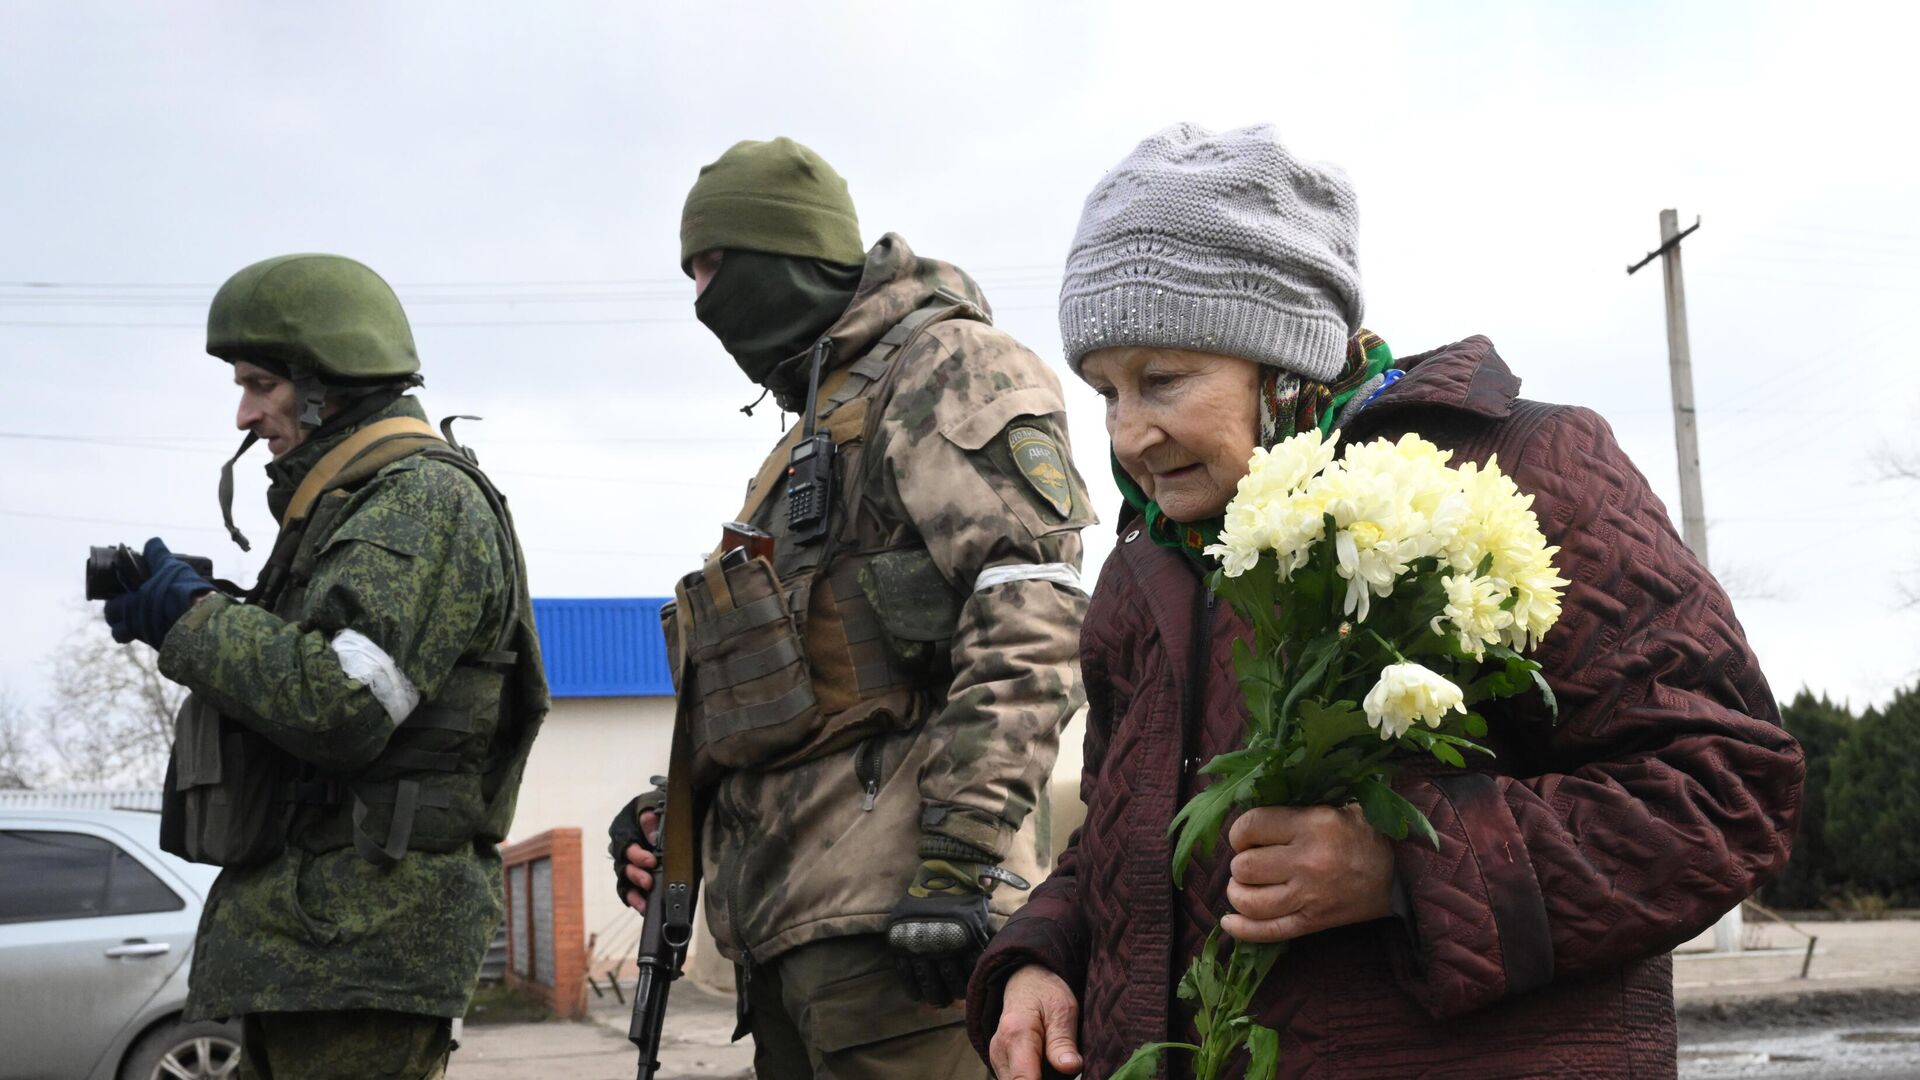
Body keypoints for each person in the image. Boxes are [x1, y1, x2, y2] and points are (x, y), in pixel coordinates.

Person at [966, 124, 1805, 1079]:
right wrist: (1044, 955)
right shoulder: (1144, 569)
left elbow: (1727, 787)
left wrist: (1407, 865)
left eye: (1163, 379)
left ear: (1287, 362)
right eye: (1104, 390)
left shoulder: (1519, 472)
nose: (1128, 434)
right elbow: (1122, 833)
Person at [606, 136, 1093, 1079]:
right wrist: (677, 813)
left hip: (904, 930)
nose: (703, 299)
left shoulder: (949, 367)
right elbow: (802, 687)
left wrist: (959, 858)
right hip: (792, 939)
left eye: (715, 267)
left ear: (789, 256)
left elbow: (1033, 612)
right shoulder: (800, 443)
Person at [102, 253, 547, 1080]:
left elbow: (341, 704)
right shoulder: (350, 505)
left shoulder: (418, 500)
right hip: (316, 939)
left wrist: (192, 623)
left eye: (260, 384)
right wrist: (205, 614)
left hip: (362, 937)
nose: (244, 413)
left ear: (325, 378)